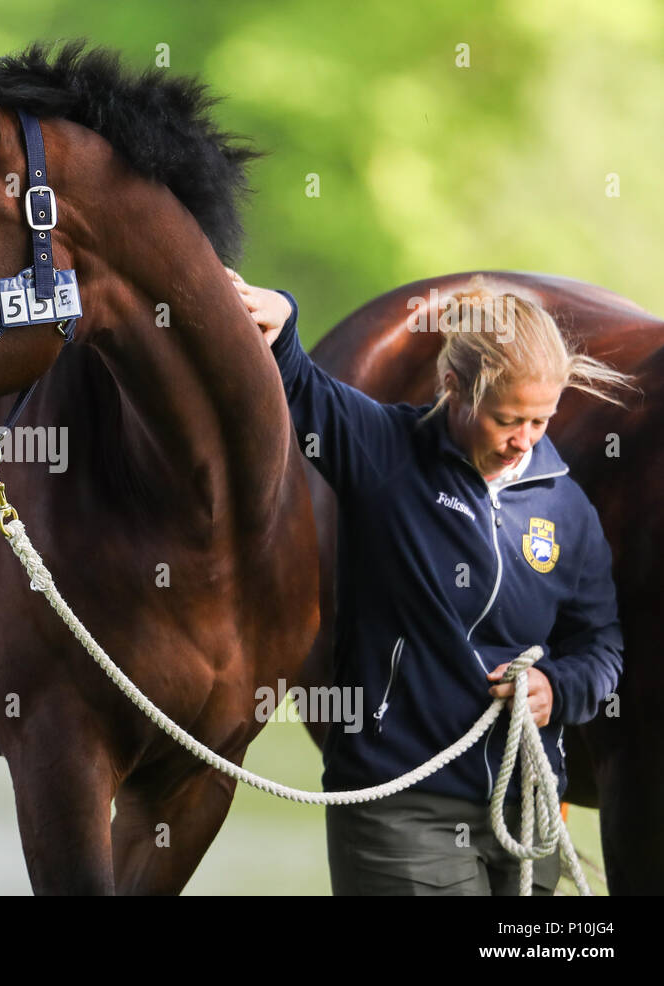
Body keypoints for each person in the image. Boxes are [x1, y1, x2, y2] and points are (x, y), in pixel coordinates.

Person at [227, 268, 633, 895]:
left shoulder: (568, 509)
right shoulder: (383, 451)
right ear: (454, 389)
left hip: (525, 815)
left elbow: (601, 646)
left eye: (540, 422)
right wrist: (282, 319)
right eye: (507, 419)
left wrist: (559, 686)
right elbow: (302, 387)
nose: (522, 442)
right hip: (400, 808)